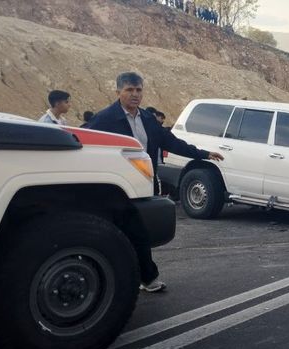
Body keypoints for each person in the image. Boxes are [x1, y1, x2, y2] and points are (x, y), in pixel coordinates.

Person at [89, 72, 224, 293]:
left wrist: (202, 154)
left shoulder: (148, 119)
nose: (134, 95)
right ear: (118, 92)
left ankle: (144, 278)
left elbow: (170, 141)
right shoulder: (104, 119)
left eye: (138, 90)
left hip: (143, 184)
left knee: (140, 232)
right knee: (115, 235)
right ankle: (122, 279)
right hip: (113, 189)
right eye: (129, 90)